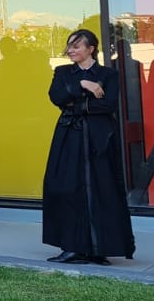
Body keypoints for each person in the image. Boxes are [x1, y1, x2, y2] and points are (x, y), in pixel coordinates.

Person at [43, 28, 134, 265]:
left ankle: (98, 247)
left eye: (76, 46)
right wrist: (83, 84)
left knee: (101, 189)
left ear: (91, 49)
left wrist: (78, 105)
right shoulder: (63, 72)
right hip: (69, 137)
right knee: (67, 188)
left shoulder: (108, 74)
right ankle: (72, 247)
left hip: (99, 139)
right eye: (69, 46)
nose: (70, 50)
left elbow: (109, 105)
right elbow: (56, 97)